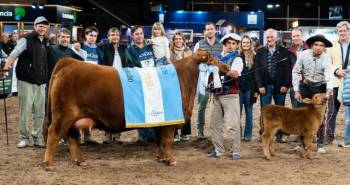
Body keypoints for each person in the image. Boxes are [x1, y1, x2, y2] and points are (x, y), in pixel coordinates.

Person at [3, 16, 50, 148]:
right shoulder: (26, 39)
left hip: (41, 82)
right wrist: (6, 69)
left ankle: (37, 137)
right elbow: (13, 54)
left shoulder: (45, 41)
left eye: (45, 26)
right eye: (40, 26)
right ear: (35, 26)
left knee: (40, 112)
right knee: (25, 110)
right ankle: (23, 137)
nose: (42, 28)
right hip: (26, 81)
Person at [292, 34, 333, 154]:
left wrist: (329, 89)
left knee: (320, 117)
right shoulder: (303, 55)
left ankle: (320, 144)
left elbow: (329, 75)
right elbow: (296, 71)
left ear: (324, 47)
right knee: (301, 116)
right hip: (304, 87)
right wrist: (296, 90)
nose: (318, 47)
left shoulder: (326, 58)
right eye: (316, 44)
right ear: (311, 45)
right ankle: (301, 144)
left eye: (321, 45)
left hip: (319, 88)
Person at [207, 33, 243, 159]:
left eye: (234, 44)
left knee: (233, 124)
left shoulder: (237, 59)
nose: (231, 46)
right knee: (214, 124)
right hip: (216, 95)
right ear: (224, 45)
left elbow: (235, 74)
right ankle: (218, 150)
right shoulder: (216, 58)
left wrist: (221, 67)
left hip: (230, 95)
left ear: (237, 45)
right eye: (228, 43)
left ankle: (235, 150)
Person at [254, 28, 292, 142]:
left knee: (280, 113)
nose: (269, 39)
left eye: (271, 37)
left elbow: (288, 70)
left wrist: (285, 85)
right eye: (267, 37)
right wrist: (260, 85)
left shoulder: (285, 51)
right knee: (265, 112)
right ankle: (264, 134)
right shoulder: (260, 52)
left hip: (280, 87)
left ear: (276, 38)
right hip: (265, 87)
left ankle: (279, 136)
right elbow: (257, 70)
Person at [99, 27, 131, 144]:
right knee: (107, 109)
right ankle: (107, 134)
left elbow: (128, 63)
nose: (115, 37)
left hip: (121, 82)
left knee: (119, 109)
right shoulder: (103, 47)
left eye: (117, 35)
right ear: (108, 37)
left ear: (120, 37)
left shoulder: (124, 48)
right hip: (107, 82)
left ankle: (117, 135)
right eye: (112, 35)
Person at [125, 25, 156, 142]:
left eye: (141, 33)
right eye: (136, 34)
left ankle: (153, 134)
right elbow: (129, 67)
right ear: (132, 36)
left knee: (153, 107)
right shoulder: (130, 50)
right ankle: (143, 135)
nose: (139, 36)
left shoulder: (150, 47)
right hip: (140, 83)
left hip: (153, 82)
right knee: (142, 109)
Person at [193, 22, 222, 138]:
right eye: (207, 29)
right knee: (202, 106)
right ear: (205, 32)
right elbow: (194, 61)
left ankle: (216, 131)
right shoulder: (199, 45)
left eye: (211, 29)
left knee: (218, 107)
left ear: (215, 30)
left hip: (217, 80)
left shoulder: (221, 45)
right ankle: (200, 131)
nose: (209, 31)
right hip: (203, 80)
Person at [326, 21, 350, 145]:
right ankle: (329, 136)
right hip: (335, 83)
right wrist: (336, 70)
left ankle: (348, 137)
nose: (342, 33)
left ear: (349, 31)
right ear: (337, 33)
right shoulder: (331, 47)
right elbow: (327, 64)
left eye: (345, 30)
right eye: (340, 31)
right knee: (332, 111)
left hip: (349, 83)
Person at [79, 25, 104, 144]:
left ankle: (88, 135)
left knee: (90, 111)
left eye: (95, 36)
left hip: (93, 86)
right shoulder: (80, 47)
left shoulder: (98, 50)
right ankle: (77, 136)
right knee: (79, 111)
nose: (93, 38)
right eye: (91, 35)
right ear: (86, 35)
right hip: (81, 85)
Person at [169, 31, 193, 141]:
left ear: (183, 40)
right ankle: (174, 133)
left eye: (180, 39)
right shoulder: (170, 53)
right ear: (173, 41)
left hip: (186, 84)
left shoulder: (189, 52)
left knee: (186, 108)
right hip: (174, 84)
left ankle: (184, 133)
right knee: (174, 109)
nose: (178, 41)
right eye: (176, 39)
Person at [239, 35, 256, 142]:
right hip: (239, 89)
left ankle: (248, 135)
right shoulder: (237, 56)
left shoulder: (255, 56)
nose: (245, 44)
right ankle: (239, 134)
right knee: (238, 113)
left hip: (249, 89)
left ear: (250, 44)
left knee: (249, 112)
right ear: (241, 44)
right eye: (244, 42)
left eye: (247, 43)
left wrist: (255, 91)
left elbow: (256, 75)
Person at [288, 28, 308, 108]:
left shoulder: (310, 49)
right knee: (296, 112)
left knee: (307, 111)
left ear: (302, 36)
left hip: (308, 85)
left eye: (298, 35)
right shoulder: (289, 51)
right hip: (294, 85)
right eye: (294, 36)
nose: (296, 38)